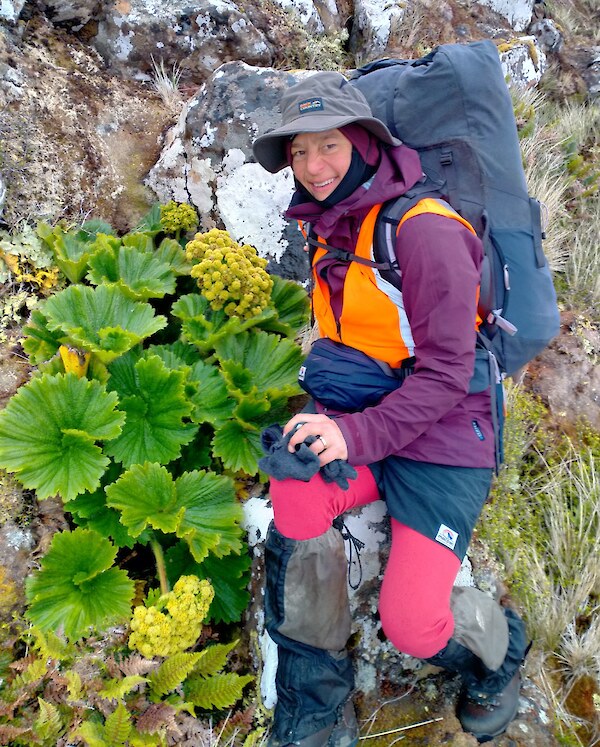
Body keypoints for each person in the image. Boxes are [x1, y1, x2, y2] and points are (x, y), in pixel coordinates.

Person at [252, 71, 529, 747]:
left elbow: (443, 377)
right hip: (373, 419)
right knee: (294, 485)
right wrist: (324, 421)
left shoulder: (425, 231)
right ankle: (316, 698)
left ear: (365, 143)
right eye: (298, 152)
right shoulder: (332, 226)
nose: (313, 167)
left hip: (444, 437)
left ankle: (501, 651)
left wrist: (350, 434)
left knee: (413, 624)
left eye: (328, 147)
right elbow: (358, 344)